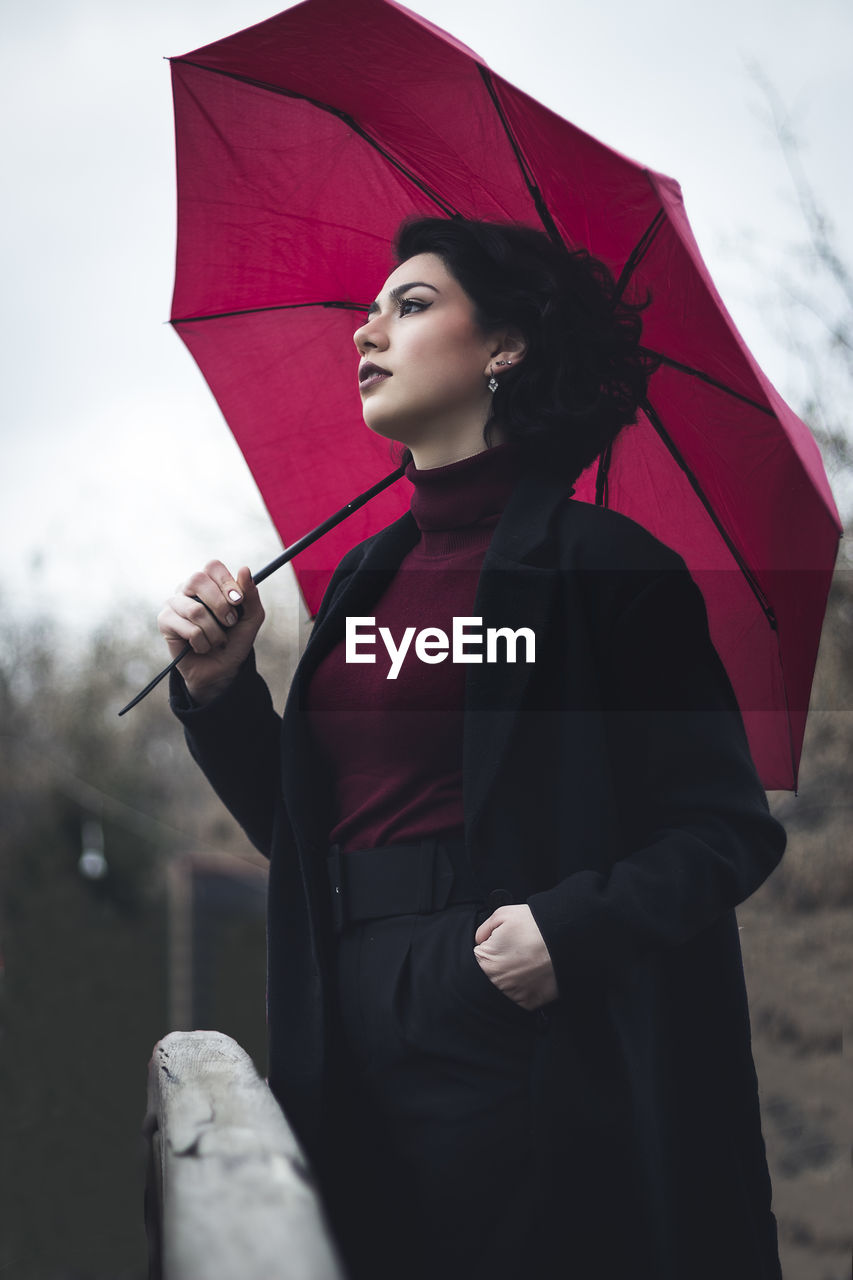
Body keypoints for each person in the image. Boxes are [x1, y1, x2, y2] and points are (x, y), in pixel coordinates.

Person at [159, 218, 786, 1280]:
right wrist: (220, 694)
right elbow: (305, 831)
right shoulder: (360, 578)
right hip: (337, 1020)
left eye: (409, 305)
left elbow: (724, 830)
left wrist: (566, 930)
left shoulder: (607, 569)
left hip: (509, 1022)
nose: (367, 331)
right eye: (370, 309)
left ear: (505, 347)